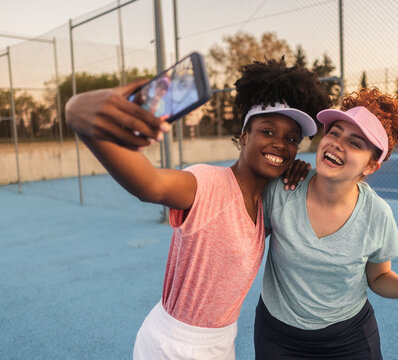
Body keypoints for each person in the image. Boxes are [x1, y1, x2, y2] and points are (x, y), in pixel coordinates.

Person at [65, 58, 330, 360]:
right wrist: (79, 114)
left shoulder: (266, 203)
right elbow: (150, 184)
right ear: (243, 136)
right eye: (267, 132)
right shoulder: (208, 183)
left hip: (222, 342)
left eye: (291, 139)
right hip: (174, 346)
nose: (280, 144)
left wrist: (298, 169)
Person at [255, 87, 398, 359]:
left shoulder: (377, 214)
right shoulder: (282, 189)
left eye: (355, 143)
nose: (337, 142)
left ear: (370, 166)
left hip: (348, 340)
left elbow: (379, 277)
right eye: (334, 132)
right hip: (278, 337)